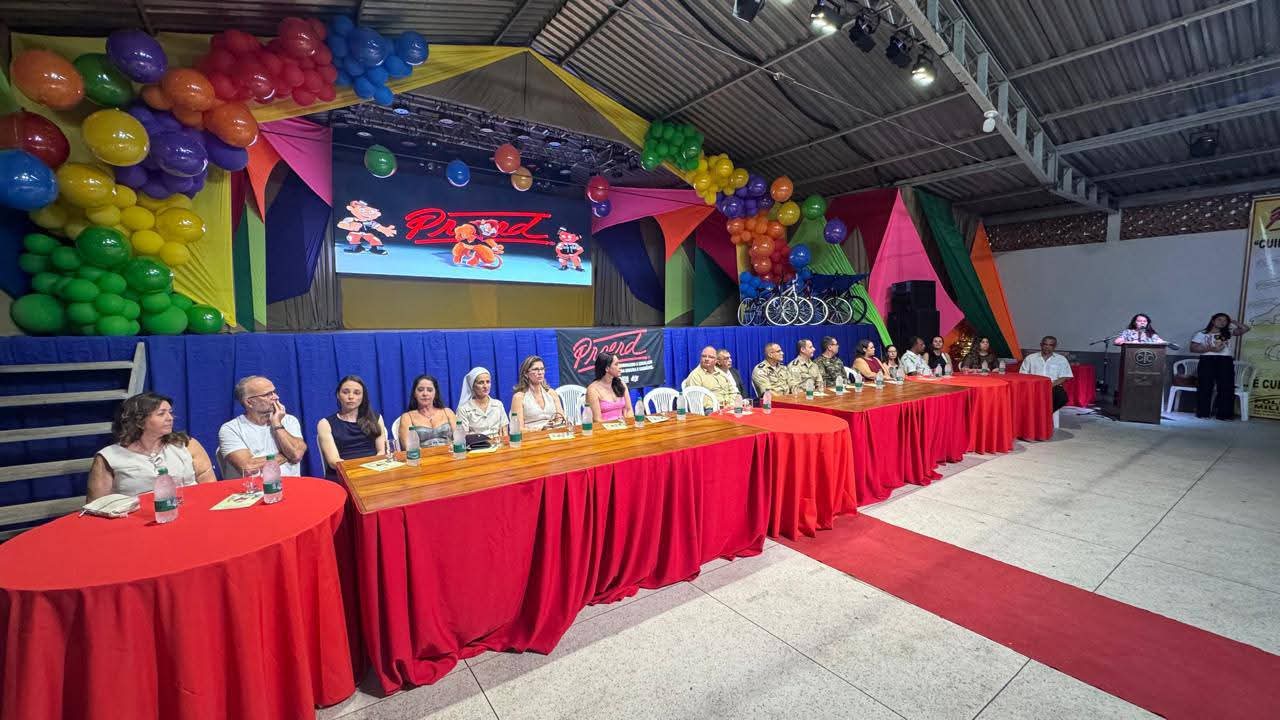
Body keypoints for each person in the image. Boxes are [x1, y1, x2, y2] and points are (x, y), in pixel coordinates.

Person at [87, 392, 215, 501]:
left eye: (170, 413)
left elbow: (211, 489)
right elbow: (97, 506)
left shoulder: (187, 444)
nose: (170, 418)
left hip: (193, 510)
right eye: (161, 414)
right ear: (139, 421)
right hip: (137, 518)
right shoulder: (108, 458)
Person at [218, 375, 307, 479]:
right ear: (249, 402)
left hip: (292, 484)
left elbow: (296, 454)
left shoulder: (289, 420)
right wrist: (287, 455)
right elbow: (248, 467)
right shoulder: (230, 429)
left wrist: (277, 424)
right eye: (268, 394)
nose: (276, 397)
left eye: (274, 392)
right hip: (254, 487)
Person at [316, 376, 387, 474]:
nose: (351, 397)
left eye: (357, 393)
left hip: (374, 469)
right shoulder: (325, 424)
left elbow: (382, 452)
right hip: (344, 472)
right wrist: (358, 470)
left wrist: (370, 470)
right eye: (345, 392)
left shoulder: (376, 418)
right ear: (338, 395)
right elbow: (333, 461)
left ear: (363, 396)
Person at [1190, 313, 1251, 420]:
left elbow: (1245, 328)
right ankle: (1203, 413)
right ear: (1213, 321)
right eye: (1219, 319)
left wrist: (1233, 321)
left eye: (1225, 320)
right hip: (1207, 360)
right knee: (1205, 386)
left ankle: (1224, 414)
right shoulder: (1202, 333)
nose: (1222, 322)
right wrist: (1210, 349)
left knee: (1226, 387)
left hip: (1225, 360)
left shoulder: (1228, 333)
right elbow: (1193, 348)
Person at [398, 374, 457, 448]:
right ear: (414, 394)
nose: (425, 394)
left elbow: (459, 439)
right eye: (420, 390)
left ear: (435, 394)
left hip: (450, 453)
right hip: (421, 455)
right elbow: (408, 448)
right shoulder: (407, 417)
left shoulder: (448, 412)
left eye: (429, 390)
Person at [511, 355, 567, 430]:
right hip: (532, 435)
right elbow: (518, 429)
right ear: (526, 374)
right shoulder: (519, 397)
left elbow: (561, 420)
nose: (540, 372)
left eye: (542, 369)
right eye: (535, 369)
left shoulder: (552, 393)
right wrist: (540, 429)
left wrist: (556, 425)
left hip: (553, 433)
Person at [1019, 336, 1073, 411]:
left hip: (1053, 386)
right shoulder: (1030, 358)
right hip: (1034, 386)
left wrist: (1049, 385)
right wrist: (1033, 385)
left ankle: (1046, 413)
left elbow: (1064, 377)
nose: (1047, 347)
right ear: (1041, 345)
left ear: (1055, 346)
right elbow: (1023, 374)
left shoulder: (1061, 359)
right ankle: (1039, 413)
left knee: (1062, 397)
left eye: (1051, 345)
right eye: (1045, 344)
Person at [457, 367, 509, 437]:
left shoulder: (498, 405)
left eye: (488, 382)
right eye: (481, 383)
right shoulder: (464, 409)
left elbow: (504, 432)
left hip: (498, 442)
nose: (485, 386)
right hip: (476, 443)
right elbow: (463, 436)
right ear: (472, 386)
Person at [587, 351, 634, 422]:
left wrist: (628, 423)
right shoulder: (592, 390)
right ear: (607, 368)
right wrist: (615, 425)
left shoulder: (621, 384)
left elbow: (629, 410)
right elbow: (597, 420)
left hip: (623, 426)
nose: (620, 367)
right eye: (616, 364)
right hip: (604, 427)